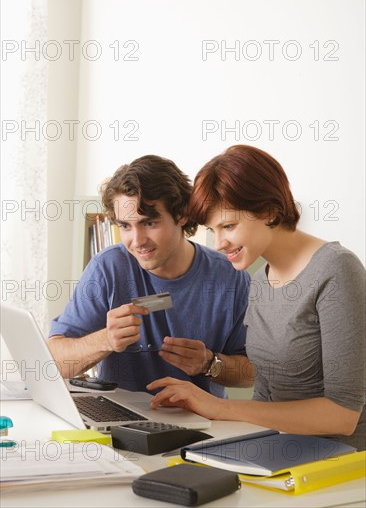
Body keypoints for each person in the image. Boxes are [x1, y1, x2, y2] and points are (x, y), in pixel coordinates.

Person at [147, 145, 366, 450]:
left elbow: (342, 415)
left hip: (334, 466)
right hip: (276, 452)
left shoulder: (337, 270)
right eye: (212, 229)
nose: (219, 243)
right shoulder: (260, 280)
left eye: (229, 226)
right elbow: (265, 395)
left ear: (268, 210)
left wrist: (220, 407)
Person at [48, 155, 253, 397]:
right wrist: (106, 340)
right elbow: (54, 362)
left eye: (150, 223)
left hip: (202, 427)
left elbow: (252, 371)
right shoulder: (108, 268)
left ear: (183, 215)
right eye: (125, 226)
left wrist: (209, 363)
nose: (137, 241)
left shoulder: (230, 277)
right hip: (119, 424)